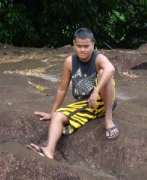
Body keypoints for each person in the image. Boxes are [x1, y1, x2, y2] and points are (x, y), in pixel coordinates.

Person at [27, 27, 118, 159]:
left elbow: (111, 69)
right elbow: (62, 89)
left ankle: (108, 120)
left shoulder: (98, 58)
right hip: (86, 104)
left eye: (86, 46)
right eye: (79, 46)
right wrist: (52, 112)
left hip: (104, 100)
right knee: (57, 116)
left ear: (93, 44)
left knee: (104, 72)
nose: (82, 49)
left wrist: (95, 91)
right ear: (74, 45)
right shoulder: (70, 62)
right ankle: (49, 150)